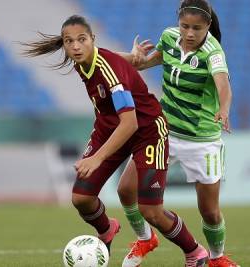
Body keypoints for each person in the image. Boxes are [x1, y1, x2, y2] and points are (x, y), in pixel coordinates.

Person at [22, 14, 208, 266]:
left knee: (150, 211)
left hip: (147, 132)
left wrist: (97, 158)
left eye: (81, 40)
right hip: (108, 128)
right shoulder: (83, 60)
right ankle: (107, 229)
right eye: (69, 41)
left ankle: (195, 252)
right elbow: (115, 58)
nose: (75, 46)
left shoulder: (109, 74)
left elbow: (130, 122)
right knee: (81, 198)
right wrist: (133, 57)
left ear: (92, 40)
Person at [119, 0, 240, 266]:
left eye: (197, 28)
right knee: (126, 189)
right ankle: (145, 239)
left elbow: (223, 85)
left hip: (202, 141)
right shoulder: (169, 36)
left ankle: (217, 258)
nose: (189, 33)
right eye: (184, 26)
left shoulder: (213, 52)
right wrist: (138, 60)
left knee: (209, 211)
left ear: (208, 26)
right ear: (178, 22)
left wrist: (225, 109)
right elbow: (153, 61)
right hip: (163, 132)